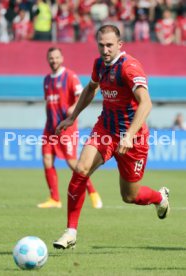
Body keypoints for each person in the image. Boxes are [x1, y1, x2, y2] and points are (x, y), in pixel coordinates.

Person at [53, 24, 170, 250]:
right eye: (101, 45)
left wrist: (129, 135)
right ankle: (71, 231)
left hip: (133, 139)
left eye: (109, 45)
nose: (105, 50)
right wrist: (72, 117)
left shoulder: (130, 68)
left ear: (119, 45)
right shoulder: (99, 64)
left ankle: (159, 198)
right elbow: (91, 88)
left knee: (130, 196)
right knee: (81, 169)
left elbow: (146, 103)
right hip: (105, 129)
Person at [37, 47, 103, 209]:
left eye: (56, 57)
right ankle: (54, 199)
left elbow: (82, 96)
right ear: (48, 60)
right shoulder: (46, 80)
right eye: (51, 58)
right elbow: (48, 103)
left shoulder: (70, 76)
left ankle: (93, 192)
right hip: (50, 128)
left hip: (67, 126)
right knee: (46, 159)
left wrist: (73, 109)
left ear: (62, 58)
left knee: (73, 163)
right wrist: (48, 122)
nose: (54, 60)